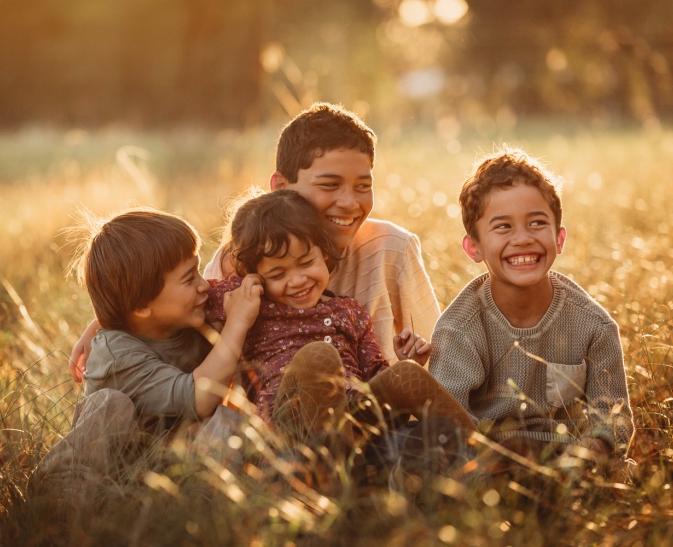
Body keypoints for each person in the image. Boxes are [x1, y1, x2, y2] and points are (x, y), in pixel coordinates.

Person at [68, 103, 440, 382]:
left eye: (363, 186)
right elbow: (186, 305)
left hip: (374, 405)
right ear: (280, 187)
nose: (349, 202)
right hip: (272, 412)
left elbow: (439, 352)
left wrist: (415, 355)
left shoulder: (392, 247)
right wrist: (106, 322)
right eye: (329, 185)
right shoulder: (242, 257)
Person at [208, 189, 475, 446]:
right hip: (292, 423)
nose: (298, 280)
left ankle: (484, 455)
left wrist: (406, 361)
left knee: (407, 374)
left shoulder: (349, 311)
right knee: (318, 355)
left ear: (324, 252)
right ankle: (336, 475)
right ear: (253, 275)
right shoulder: (250, 302)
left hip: (357, 416)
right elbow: (192, 297)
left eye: (305, 263)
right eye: (278, 275)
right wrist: (242, 287)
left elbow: (373, 373)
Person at [428, 146, 634, 465]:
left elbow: (613, 418)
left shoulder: (594, 325)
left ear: (559, 238)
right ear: (474, 247)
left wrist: (594, 451)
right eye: (503, 226)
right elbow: (448, 422)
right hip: (488, 458)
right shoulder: (459, 328)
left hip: (567, 455)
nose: (522, 238)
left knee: (617, 471)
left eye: (537, 223)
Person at [75, 208, 263, 429]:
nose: (204, 285)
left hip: (176, 454)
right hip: (118, 457)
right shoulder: (117, 356)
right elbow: (199, 399)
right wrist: (236, 324)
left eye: (198, 270)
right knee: (108, 404)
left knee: (229, 422)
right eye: (188, 278)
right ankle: (65, 465)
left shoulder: (185, 314)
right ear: (141, 304)